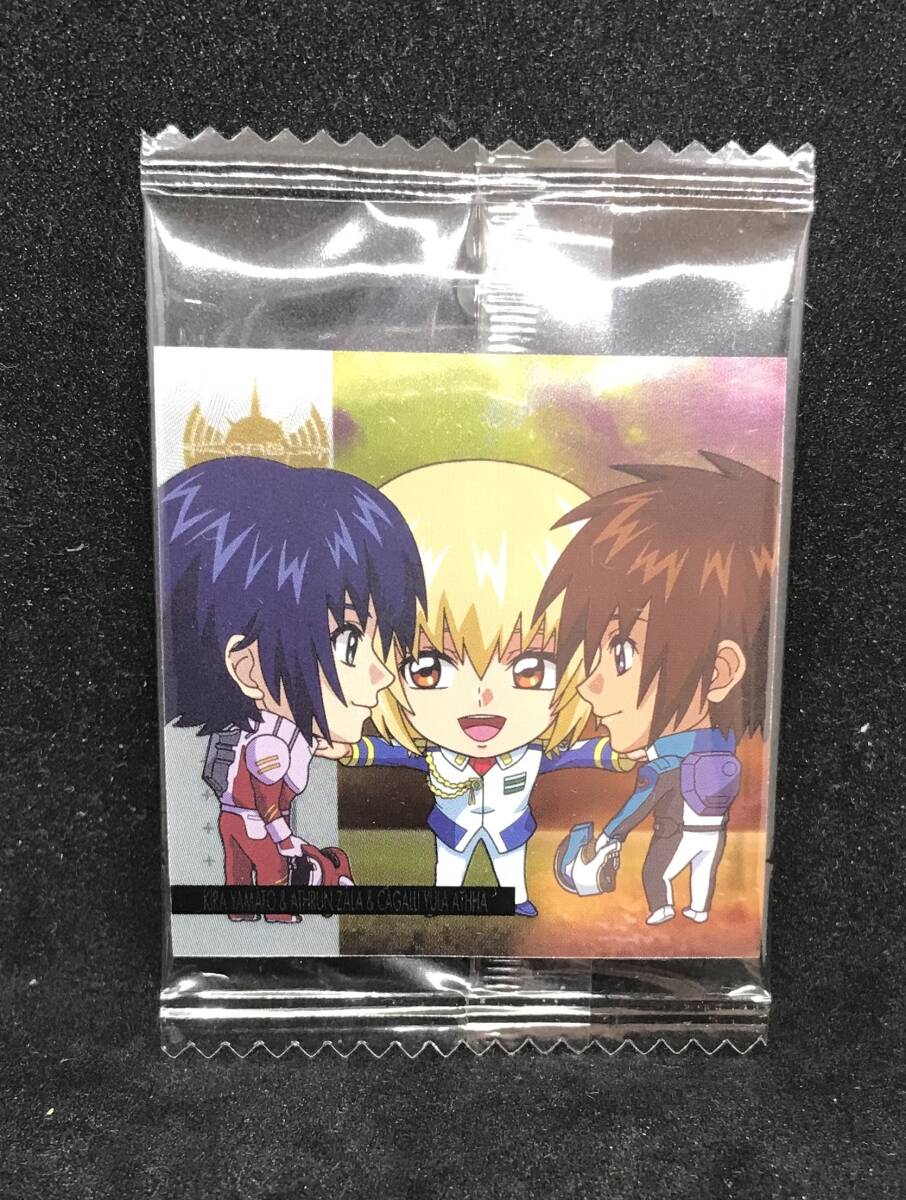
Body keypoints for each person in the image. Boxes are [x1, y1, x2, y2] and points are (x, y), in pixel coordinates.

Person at [317, 460, 635, 917]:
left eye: (530, 670)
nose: (483, 696)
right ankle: (447, 900)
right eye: (428, 670)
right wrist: (349, 751)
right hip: (454, 828)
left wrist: (619, 755)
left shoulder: (529, 754)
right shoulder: (436, 753)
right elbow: (389, 752)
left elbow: (577, 754)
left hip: (510, 830)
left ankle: (517, 900)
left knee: (510, 869)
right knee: (450, 866)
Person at [159, 456, 426, 919]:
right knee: (268, 873)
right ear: (247, 668)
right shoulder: (264, 744)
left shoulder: (276, 730)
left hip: (239, 820)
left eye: (380, 641)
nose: (382, 674)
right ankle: (275, 914)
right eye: (348, 643)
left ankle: (246, 915)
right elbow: (266, 801)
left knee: (241, 877)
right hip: (253, 824)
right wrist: (285, 840)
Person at [536, 453, 778, 925]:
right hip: (711, 840)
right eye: (593, 653)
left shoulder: (668, 763)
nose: (588, 685)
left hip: (684, 842)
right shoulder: (718, 747)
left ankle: (668, 907)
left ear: (719, 672)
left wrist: (610, 837)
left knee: (659, 873)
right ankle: (694, 907)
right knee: (698, 879)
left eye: (621, 655)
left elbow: (640, 802)